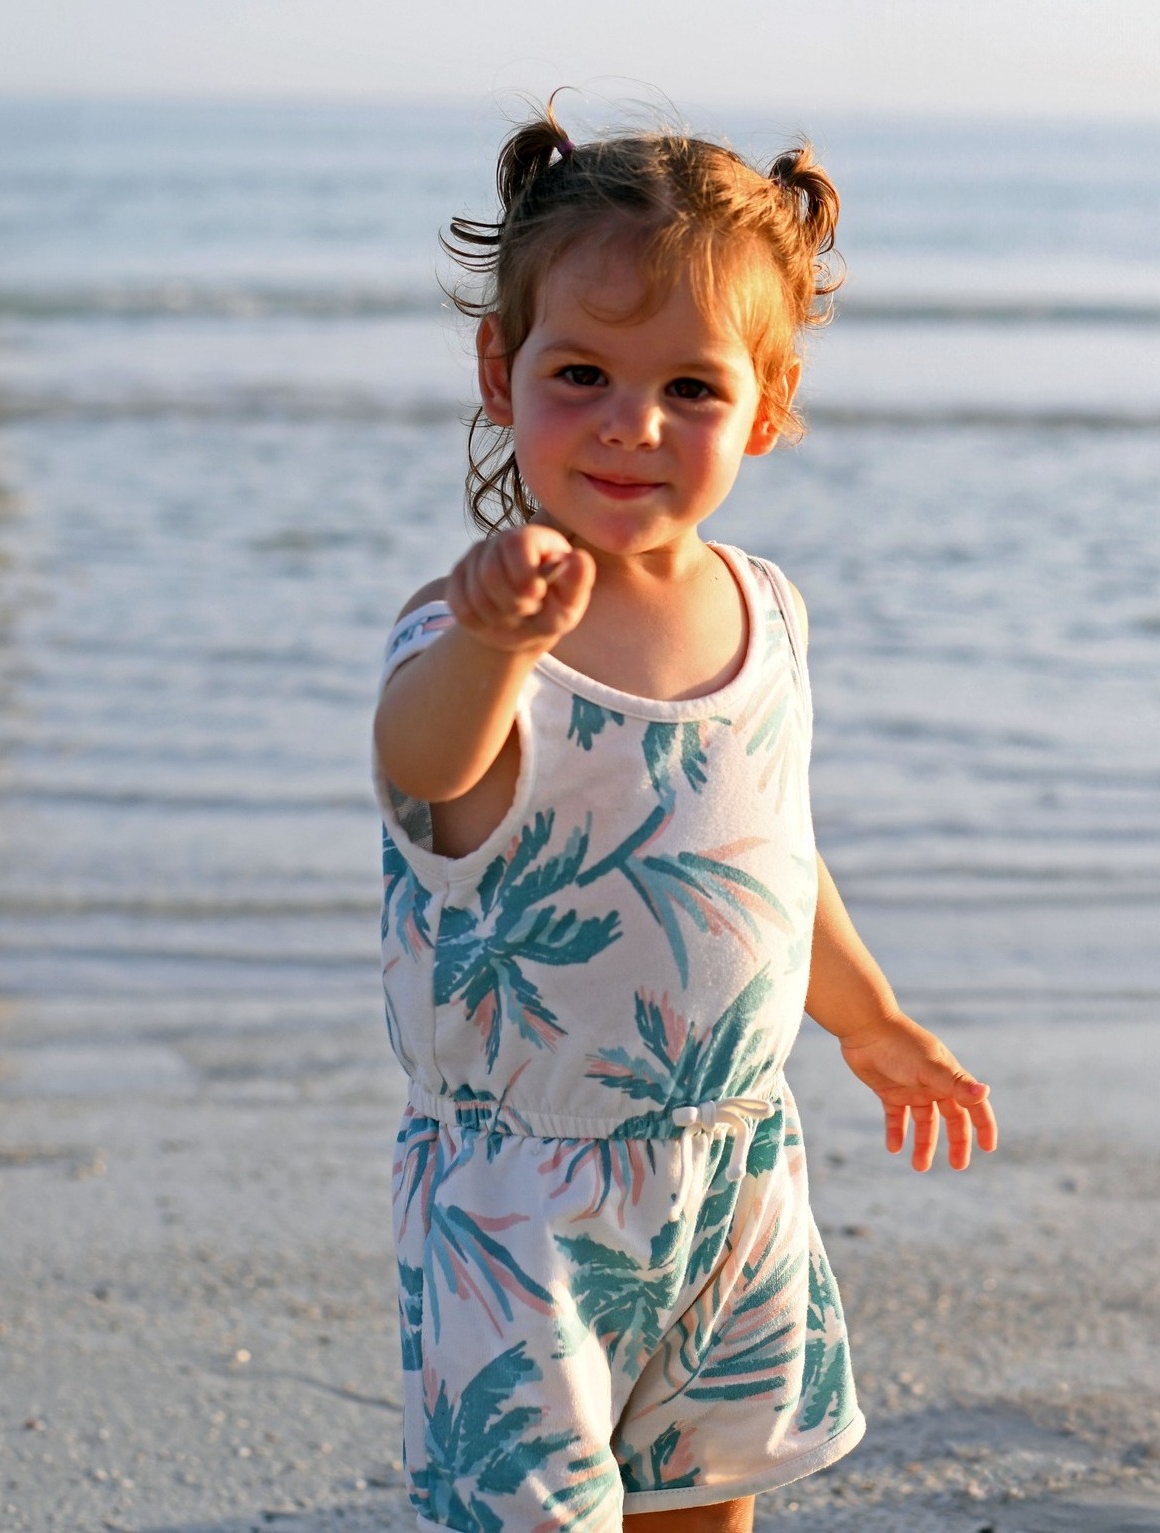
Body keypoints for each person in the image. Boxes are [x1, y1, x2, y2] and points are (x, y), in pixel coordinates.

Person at [372, 97, 998, 1533]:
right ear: (499, 369)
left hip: (732, 1161)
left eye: (692, 390)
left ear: (766, 406)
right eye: (580, 372)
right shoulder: (474, 635)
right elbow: (424, 769)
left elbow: (766, 854)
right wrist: (488, 639)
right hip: (522, 1195)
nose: (629, 425)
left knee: (712, 1495)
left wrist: (869, 1014)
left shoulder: (765, 612)